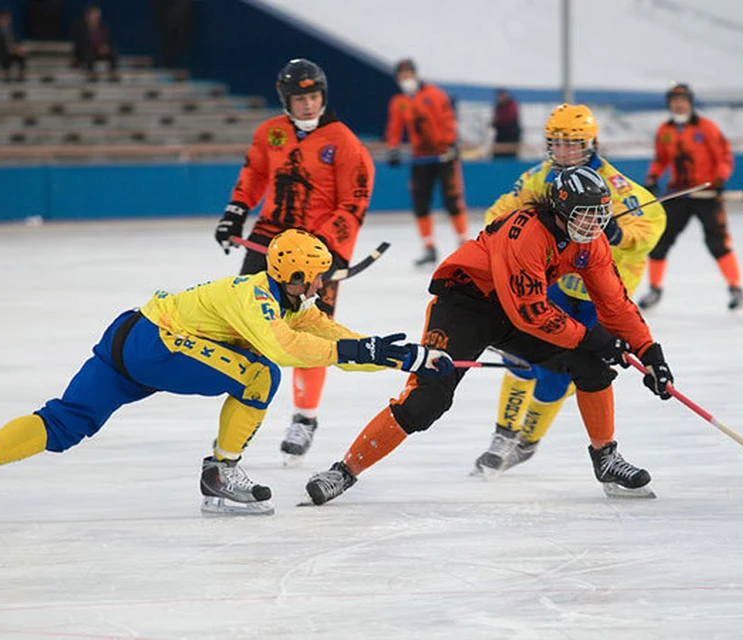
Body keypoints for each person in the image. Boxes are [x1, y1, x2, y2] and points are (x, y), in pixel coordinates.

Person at [0, 230, 454, 523]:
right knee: (259, 374)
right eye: (314, 276)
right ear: (292, 273)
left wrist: (403, 357)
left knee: (65, 421)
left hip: (128, 337)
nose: (319, 285)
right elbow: (285, 348)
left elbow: (335, 342)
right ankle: (221, 472)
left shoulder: (290, 303)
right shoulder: (257, 298)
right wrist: (366, 348)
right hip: (158, 346)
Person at [304, 166, 676, 506]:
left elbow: (616, 304)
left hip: (513, 307)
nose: (594, 225)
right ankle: (345, 470)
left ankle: (606, 458)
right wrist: (593, 338)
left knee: (591, 366)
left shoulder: (590, 243)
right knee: (427, 399)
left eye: (601, 216)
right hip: (464, 306)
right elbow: (530, 312)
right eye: (586, 215)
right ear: (561, 211)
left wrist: (650, 352)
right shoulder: (526, 232)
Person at [472, 103, 666, 477]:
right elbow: (500, 213)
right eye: (557, 144)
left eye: (573, 144)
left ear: (591, 143)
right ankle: (503, 433)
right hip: (556, 282)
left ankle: (527, 439)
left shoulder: (617, 185)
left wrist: (618, 233)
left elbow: (653, 224)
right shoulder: (538, 177)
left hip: (598, 290)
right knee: (522, 357)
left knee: (562, 374)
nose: (564, 152)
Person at [213, 58, 376, 465]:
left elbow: (353, 201)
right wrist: (236, 210)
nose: (307, 104)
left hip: (315, 248)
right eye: (300, 97)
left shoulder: (344, 141)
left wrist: (329, 250)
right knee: (250, 321)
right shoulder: (269, 133)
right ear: (286, 98)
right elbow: (253, 176)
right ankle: (246, 400)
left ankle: (305, 417)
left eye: (314, 96)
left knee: (311, 329)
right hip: (268, 240)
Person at [639, 82, 743, 311]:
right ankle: (655, 289)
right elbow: (661, 159)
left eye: (682, 101)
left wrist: (719, 179)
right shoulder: (665, 131)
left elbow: (724, 156)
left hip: (706, 193)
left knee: (717, 243)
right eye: (674, 101)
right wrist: (652, 178)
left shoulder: (706, 128)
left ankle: (736, 288)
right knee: (659, 242)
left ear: (690, 102)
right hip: (679, 193)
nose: (678, 105)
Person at [385, 58, 470, 267]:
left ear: (415, 74)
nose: (406, 80)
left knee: (452, 199)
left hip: (444, 155)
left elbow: (448, 119)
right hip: (420, 157)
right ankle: (429, 246)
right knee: (420, 202)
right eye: (402, 77)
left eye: (408, 75)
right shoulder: (399, 102)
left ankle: (464, 243)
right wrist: (393, 148)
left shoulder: (434, 94)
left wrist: (451, 142)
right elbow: (395, 127)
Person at [72, 3, 118, 80]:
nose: (96, 17)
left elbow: (109, 41)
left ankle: (112, 75)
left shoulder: (103, 27)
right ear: (88, 16)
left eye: (97, 15)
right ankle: (92, 75)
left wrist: (105, 47)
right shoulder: (80, 28)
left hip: (100, 51)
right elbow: (81, 44)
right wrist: (97, 49)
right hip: (86, 52)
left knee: (112, 52)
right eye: (94, 14)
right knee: (89, 54)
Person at [0, 8, 27, 82]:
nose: (8, 21)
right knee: (6, 54)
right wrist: (10, 49)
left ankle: (21, 76)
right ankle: (6, 77)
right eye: (6, 19)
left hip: (9, 51)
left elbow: (14, 40)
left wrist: (17, 48)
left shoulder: (8, 29)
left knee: (21, 55)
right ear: (0, 18)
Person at [491, 88, 521, 159]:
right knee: (498, 154)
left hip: (511, 133)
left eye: (501, 95)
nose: (500, 97)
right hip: (501, 134)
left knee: (510, 154)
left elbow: (510, 117)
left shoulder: (512, 104)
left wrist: (497, 123)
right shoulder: (498, 106)